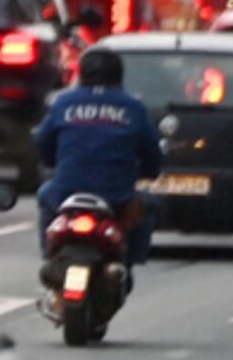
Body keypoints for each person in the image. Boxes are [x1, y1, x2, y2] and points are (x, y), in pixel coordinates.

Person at [34, 47, 162, 273]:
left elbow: (43, 144)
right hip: (117, 196)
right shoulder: (133, 107)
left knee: (45, 195)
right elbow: (151, 152)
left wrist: (53, 164)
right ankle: (129, 261)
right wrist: (150, 172)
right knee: (150, 203)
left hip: (66, 190)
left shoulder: (63, 103)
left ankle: (49, 254)